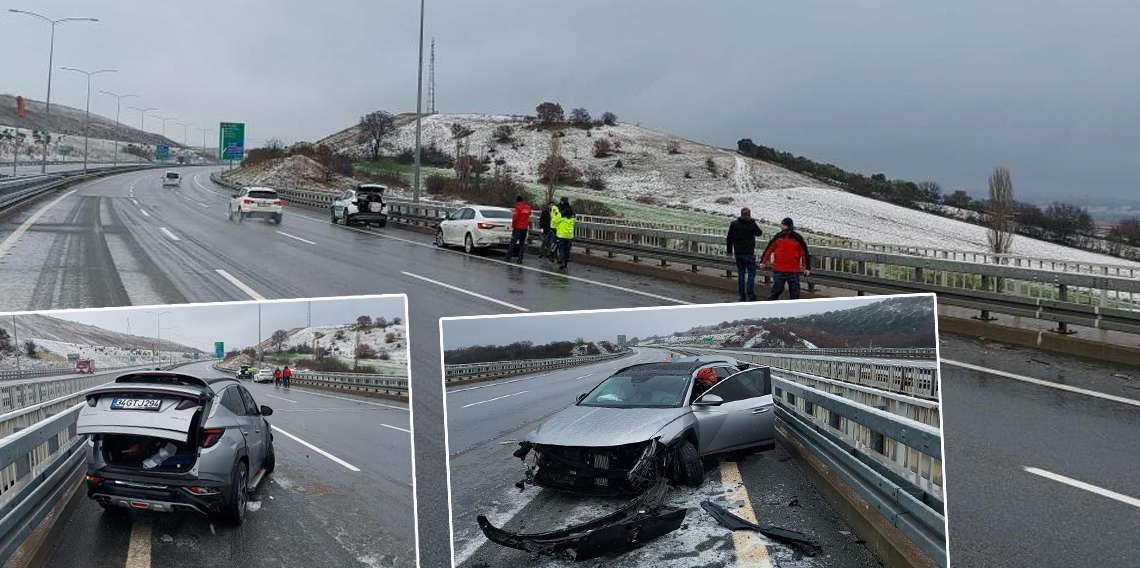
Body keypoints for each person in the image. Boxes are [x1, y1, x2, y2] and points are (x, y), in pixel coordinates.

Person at [760, 217, 812, 301]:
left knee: (793, 293)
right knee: (777, 291)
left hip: (791, 270)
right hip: (782, 269)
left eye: (782, 224)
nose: (780, 226)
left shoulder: (796, 238)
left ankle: (793, 310)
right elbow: (769, 249)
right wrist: (763, 261)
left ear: (786, 226)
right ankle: (770, 307)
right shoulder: (779, 236)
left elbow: (804, 253)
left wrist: (807, 267)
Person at [726, 207, 763, 302]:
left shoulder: (734, 224)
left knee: (741, 274)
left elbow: (729, 238)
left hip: (738, 253)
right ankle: (750, 294)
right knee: (751, 273)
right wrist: (753, 223)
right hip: (749, 253)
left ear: (741, 214)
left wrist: (729, 251)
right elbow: (759, 233)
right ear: (749, 214)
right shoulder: (751, 224)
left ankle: (742, 295)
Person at [550, 197, 576, 270]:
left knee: (561, 249)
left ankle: (562, 262)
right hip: (569, 235)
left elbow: (555, 221)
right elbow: (574, 222)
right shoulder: (572, 213)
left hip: (561, 234)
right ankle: (566, 263)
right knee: (567, 250)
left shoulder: (560, 212)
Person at [507, 195, 532, 263]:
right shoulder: (527, 207)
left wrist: (513, 226)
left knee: (513, 242)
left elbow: (515, 218)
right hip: (524, 228)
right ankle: (520, 259)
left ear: (517, 201)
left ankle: (508, 257)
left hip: (518, 228)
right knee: (522, 244)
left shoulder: (518, 208)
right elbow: (529, 213)